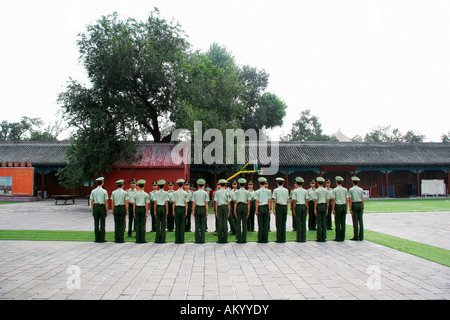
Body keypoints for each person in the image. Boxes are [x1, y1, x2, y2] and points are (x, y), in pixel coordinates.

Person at [90, 177, 108, 243]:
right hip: (102, 206)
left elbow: (91, 201)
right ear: (102, 183)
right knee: (102, 223)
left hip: (95, 206)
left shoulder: (93, 191)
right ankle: (102, 238)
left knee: (96, 223)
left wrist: (92, 210)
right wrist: (106, 210)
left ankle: (97, 238)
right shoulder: (104, 191)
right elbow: (106, 201)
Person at [233, 178, 251, 244]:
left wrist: (234, 210)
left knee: (238, 223)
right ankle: (244, 239)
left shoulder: (236, 192)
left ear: (239, 184)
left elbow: (235, 202)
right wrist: (248, 211)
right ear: (245, 184)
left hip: (239, 206)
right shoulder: (247, 192)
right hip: (245, 206)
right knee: (244, 223)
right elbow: (249, 202)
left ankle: (239, 238)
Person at [291, 177, 309, 242]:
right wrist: (307, 209)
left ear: (297, 183)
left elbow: (294, 201)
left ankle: (299, 238)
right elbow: (307, 200)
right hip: (303, 206)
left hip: (298, 206)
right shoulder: (305, 191)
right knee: (303, 222)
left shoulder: (294, 191)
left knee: (298, 222)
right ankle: (304, 238)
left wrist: (294, 209)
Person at [272, 177, 289, 243]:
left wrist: (274, 209)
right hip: (284, 206)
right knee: (283, 222)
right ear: (283, 183)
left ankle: (279, 238)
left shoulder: (275, 190)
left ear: (277, 183)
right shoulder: (286, 190)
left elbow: (275, 200)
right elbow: (287, 200)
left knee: (278, 223)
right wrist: (287, 209)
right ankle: (283, 238)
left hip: (279, 207)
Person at [192, 179, 209, 243]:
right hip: (203, 208)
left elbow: (193, 203)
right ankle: (202, 239)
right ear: (204, 185)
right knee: (202, 225)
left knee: (197, 224)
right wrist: (207, 211)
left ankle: (197, 239)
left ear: (197, 185)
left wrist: (193, 211)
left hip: (197, 208)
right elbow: (206, 203)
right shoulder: (205, 193)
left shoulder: (195, 193)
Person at [132, 179, 150, 244]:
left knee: (137, 224)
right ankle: (142, 239)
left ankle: (137, 239)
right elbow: (147, 204)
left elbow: (134, 204)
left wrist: (134, 212)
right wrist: (146, 212)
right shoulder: (146, 194)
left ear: (138, 186)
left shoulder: (135, 194)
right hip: (142, 208)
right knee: (142, 224)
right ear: (144, 186)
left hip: (137, 208)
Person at [255, 177, 272, 243]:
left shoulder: (257, 191)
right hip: (266, 207)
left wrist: (256, 210)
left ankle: (260, 239)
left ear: (259, 183)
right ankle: (265, 239)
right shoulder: (268, 191)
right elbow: (270, 200)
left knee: (260, 223)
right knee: (266, 223)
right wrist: (270, 209)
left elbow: (257, 201)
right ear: (265, 183)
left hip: (260, 207)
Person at [332, 176, 349, 242]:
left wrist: (333, 209)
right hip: (344, 206)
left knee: (338, 222)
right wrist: (347, 208)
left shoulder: (334, 190)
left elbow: (333, 200)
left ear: (336, 182)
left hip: (338, 206)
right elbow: (346, 199)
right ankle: (342, 237)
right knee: (343, 222)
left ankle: (338, 237)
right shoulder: (345, 190)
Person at [214, 179, 231, 243]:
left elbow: (216, 202)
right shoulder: (227, 192)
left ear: (220, 184)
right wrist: (229, 211)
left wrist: (216, 211)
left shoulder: (217, 192)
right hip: (225, 206)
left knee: (220, 223)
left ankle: (220, 239)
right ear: (226, 184)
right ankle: (225, 239)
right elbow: (229, 203)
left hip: (219, 207)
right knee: (225, 222)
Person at [111, 179, 128, 243]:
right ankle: (121, 239)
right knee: (122, 224)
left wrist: (113, 210)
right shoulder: (125, 193)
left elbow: (112, 202)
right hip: (122, 207)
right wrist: (126, 210)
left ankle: (116, 238)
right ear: (122, 185)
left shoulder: (113, 192)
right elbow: (126, 202)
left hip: (116, 208)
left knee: (116, 223)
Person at [349, 176, 365, 241]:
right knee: (360, 220)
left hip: (354, 204)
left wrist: (350, 208)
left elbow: (350, 199)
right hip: (360, 204)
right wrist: (363, 208)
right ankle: (361, 236)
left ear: (352, 182)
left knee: (355, 221)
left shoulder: (351, 189)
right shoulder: (361, 189)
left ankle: (355, 236)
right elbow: (363, 199)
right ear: (358, 183)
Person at [172, 179, 188, 244]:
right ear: (183, 185)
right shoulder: (185, 193)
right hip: (183, 208)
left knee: (177, 224)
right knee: (182, 224)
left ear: (177, 185)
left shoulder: (175, 193)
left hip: (177, 208)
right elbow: (186, 203)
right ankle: (181, 240)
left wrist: (173, 210)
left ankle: (177, 240)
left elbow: (173, 202)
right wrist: (186, 211)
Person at [315, 177, 329, 242]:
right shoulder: (326, 191)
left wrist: (315, 208)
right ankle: (324, 237)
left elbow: (316, 200)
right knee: (324, 222)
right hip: (324, 205)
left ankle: (319, 237)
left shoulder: (316, 191)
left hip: (319, 205)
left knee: (319, 222)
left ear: (317, 183)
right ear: (323, 183)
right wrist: (327, 208)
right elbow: (327, 200)